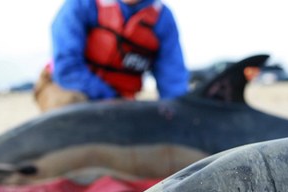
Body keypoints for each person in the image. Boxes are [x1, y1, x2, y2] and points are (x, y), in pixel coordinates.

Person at [34, 0, 189, 111]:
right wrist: (110, 97)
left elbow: (173, 84)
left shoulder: (163, 19)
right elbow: (66, 68)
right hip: (64, 87)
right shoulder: (81, 4)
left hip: (121, 100)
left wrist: (175, 113)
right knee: (74, 108)